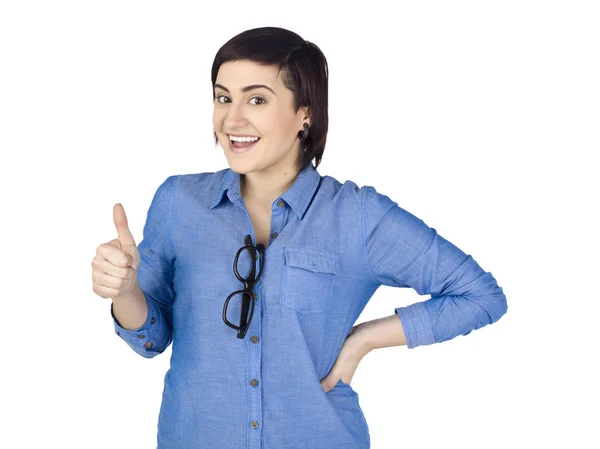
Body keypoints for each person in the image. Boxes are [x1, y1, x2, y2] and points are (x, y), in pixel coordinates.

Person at [91, 26, 508, 449]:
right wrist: (125, 292)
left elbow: (481, 296)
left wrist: (363, 340)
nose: (232, 119)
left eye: (256, 99)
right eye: (223, 97)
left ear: (304, 112)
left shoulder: (356, 216)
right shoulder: (179, 203)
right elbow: (150, 340)